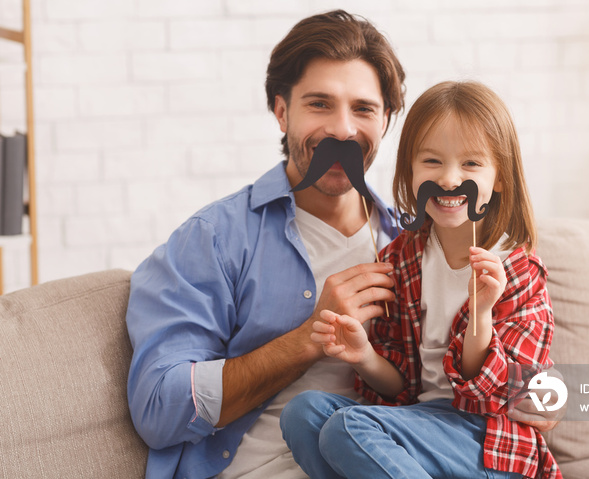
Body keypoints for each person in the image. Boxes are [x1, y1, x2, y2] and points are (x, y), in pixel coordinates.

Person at [126, 10, 560, 479]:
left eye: (363, 109)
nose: (342, 130)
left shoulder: (415, 241)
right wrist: (306, 340)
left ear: (387, 121)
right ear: (280, 111)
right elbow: (156, 409)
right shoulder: (216, 239)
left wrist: (544, 393)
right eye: (319, 104)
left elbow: (505, 380)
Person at [279, 81, 562, 479]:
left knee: (349, 428)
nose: (449, 179)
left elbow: (500, 396)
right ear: (410, 170)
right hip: (418, 424)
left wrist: (481, 312)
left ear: (499, 177)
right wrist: (364, 357)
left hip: (489, 440)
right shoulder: (401, 260)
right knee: (302, 413)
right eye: (432, 161)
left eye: (471, 164)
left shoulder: (518, 271)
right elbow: (402, 388)